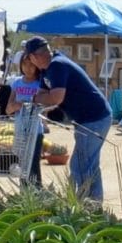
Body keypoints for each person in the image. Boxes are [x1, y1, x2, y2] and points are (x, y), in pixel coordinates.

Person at [26, 36, 113, 201]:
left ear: (33, 56)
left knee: (80, 164)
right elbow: (44, 94)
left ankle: (85, 203)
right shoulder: (47, 69)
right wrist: (42, 98)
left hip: (93, 118)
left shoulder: (57, 65)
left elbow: (56, 98)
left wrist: (36, 99)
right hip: (89, 118)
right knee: (88, 163)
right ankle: (94, 204)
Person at [5, 53, 45, 186]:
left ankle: (36, 191)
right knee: (22, 164)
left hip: (35, 131)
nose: (28, 68)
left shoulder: (40, 84)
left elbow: (44, 106)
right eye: (25, 64)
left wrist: (29, 105)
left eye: (31, 65)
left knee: (33, 164)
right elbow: (8, 109)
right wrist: (18, 105)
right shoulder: (16, 83)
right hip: (20, 131)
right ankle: (24, 191)